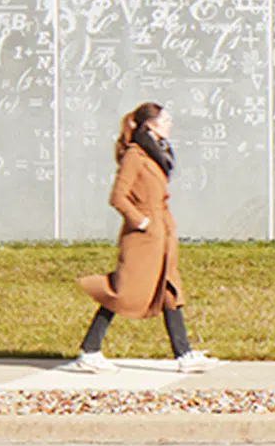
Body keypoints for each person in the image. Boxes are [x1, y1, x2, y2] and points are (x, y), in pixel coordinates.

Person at [69, 101, 207, 373]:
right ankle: (90, 350)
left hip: (162, 232)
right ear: (150, 125)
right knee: (122, 292)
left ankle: (184, 354)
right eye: (165, 120)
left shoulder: (157, 152)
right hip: (143, 238)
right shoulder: (135, 155)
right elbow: (117, 197)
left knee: (169, 290)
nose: (170, 124)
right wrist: (142, 221)